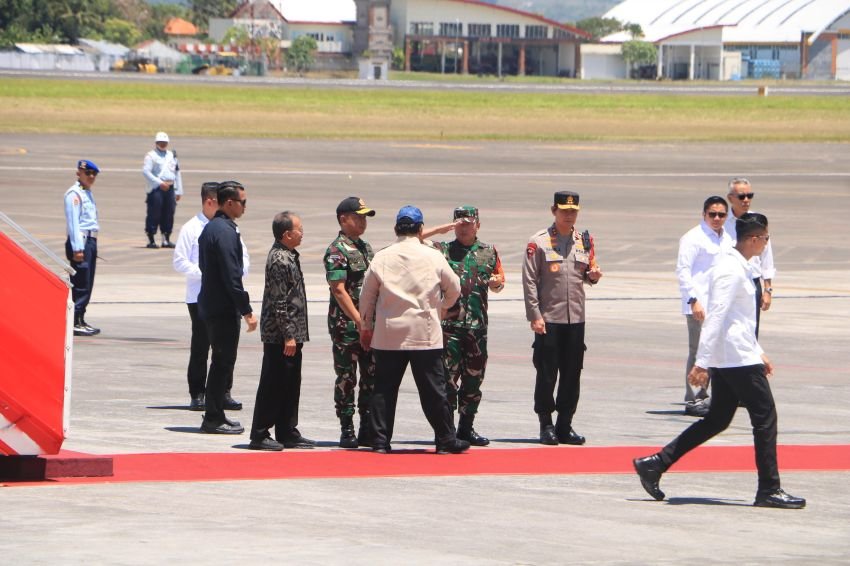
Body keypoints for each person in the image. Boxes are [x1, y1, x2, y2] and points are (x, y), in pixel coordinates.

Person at [633, 213, 805, 509]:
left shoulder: (741, 265)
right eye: (765, 238)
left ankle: (656, 463)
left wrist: (757, 350)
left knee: (717, 419)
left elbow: (739, 320)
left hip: (737, 354)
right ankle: (769, 489)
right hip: (734, 359)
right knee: (765, 419)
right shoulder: (730, 268)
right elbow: (716, 316)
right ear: (754, 239)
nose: (766, 244)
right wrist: (701, 363)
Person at [359, 205, 468, 454]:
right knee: (433, 390)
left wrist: (366, 326)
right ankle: (445, 440)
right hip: (424, 333)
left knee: (384, 390)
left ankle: (379, 442)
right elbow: (455, 288)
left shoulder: (383, 256)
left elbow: (367, 297)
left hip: (389, 335)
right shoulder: (433, 255)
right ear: (420, 229)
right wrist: (441, 309)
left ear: (396, 228)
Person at [522, 191, 602, 446]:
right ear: (553, 211)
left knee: (572, 373)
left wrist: (593, 276)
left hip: (576, 318)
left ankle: (565, 424)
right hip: (549, 318)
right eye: (564, 210)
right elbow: (530, 281)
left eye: (573, 211)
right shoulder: (540, 242)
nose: (569, 215)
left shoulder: (584, 240)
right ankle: (546, 424)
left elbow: (586, 274)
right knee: (547, 374)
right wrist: (535, 315)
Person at [424, 205, 505, 446]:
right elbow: (412, 238)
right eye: (459, 223)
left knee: (474, 380)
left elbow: (500, 282)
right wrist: (440, 230)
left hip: (477, 329)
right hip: (450, 328)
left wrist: (496, 283)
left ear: (477, 225)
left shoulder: (488, 252)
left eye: (468, 223)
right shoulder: (442, 250)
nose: (464, 227)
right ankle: (446, 430)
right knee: (447, 380)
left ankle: (466, 427)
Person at [173, 182, 249, 411]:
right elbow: (179, 261)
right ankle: (197, 393)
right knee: (201, 346)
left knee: (226, 350)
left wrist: (235, 272)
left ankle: (223, 391)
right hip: (199, 297)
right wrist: (207, 274)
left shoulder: (229, 228)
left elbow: (242, 257)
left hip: (226, 295)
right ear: (210, 201)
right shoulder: (192, 228)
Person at [248, 212, 316, 451]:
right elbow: (279, 300)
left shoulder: (289, 256)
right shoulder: (280, 259)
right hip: (280, 335)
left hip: (292, 333)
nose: (302, 232)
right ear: (287, 234)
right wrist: (288, 334)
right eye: (299, 229)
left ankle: (287, 430)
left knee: (290, 382)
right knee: (273, 383)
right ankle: (260, 433)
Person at [197, 181, 257, 434]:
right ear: (229, 203)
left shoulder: (212, 228)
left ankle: (217, 411)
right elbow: (232, 275)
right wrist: (246, 309)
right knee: (222, 362)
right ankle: (212, 417)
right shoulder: (224, 232)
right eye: (243, 202)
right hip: (222, 307)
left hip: (211, 303)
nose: (245, 206)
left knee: (221, 362)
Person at [323, 196, 377, 448]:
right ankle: (347, 428)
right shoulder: (337, 250)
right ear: (344, 219)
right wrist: (359, 321)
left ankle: (367, 425)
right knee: (346, 377)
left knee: (371, 376)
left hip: (368, 325)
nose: (363, 222)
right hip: (346, 326)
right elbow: (339, 289)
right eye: (358, 217)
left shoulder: (365, 249)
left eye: (364, 217)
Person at [676, 196, 733, 417]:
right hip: (699, 304)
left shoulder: (727, 238)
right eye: (712, 214)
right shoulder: (693, 238)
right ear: (704, 214)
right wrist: (693, 300)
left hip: (721, 304)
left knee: (716, 351)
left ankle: (711, 395)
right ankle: (693, 399)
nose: (717, 218)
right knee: (698, 351)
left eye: (721, 215)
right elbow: (683, 271)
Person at [725, 177, 775, 337]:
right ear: (730, 198)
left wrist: (768, 289)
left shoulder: (758, 221)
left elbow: (767, 256)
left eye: (749, 196)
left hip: (752, 282)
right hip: (729, 281)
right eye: (741, 196)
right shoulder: (722, 223)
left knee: (751, 329)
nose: (746, 200)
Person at [64, 159, 102, 337]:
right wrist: (77, 248)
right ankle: (74, 320)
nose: (91, 177)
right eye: (88, 173)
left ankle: (80, 318)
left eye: (94, 174)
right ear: (79, 173)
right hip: (81, 242)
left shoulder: (87, 193)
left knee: (87, 283)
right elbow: (74, 224)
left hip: (90, 242)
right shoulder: (74, 194)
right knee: (80, 283)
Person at [142, 131, 183, 249]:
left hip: (170, 188)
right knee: (154, 213)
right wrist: (160, 183)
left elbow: (177, 173)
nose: (163, 144)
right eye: (160, 142)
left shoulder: (172, 155)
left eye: (165, 142)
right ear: (156, 143)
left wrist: (179, 190)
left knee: (169, 213)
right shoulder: (151, 156)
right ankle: (151, 239)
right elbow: (146, 172)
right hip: (156, 189)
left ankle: (166, 239)